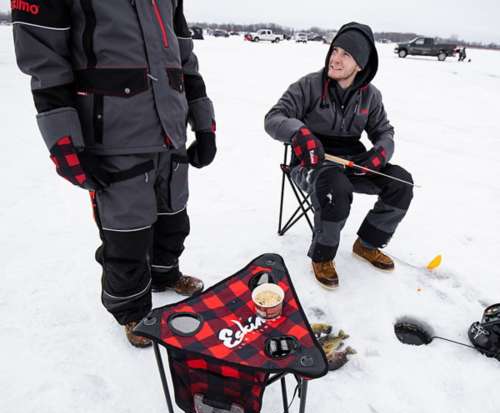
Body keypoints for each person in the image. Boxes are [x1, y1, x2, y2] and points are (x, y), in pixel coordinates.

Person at [12, 0, 216, 347]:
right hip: (113, 134)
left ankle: (165, 275)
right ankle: (131, 308)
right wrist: (65, 143)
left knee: (173, 218)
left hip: (170, 130)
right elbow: (45, 62)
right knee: (127, 236)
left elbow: (184, 57)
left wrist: (204, 121)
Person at [265, 22, 413, 289]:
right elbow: (274, 118)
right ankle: (322, 256)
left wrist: (379, 153)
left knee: (401, 182)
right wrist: (299, 133)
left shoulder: (370, 95)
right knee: (335, 186)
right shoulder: (308, 85)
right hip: (310, 163)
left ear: (360, 64)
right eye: (335, 50)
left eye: (346, 54)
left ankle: (367, 244)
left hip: (353, 161)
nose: (335, 58)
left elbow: (385, 132)